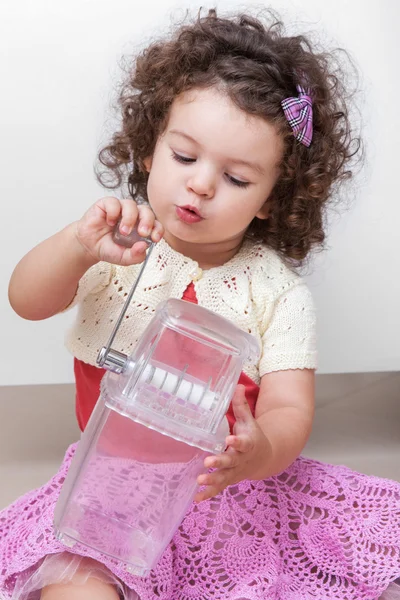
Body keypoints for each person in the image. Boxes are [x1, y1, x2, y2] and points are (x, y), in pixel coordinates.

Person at [2, 9, 400, 600]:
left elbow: (290, 409)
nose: (201, 185)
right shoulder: (117, 247)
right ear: (148, 149)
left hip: (227, 490)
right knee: (76, 581)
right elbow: (26, 301)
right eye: (185, 157)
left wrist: (260, 451)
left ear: (272, 198)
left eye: (237, 178)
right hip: (107, 488)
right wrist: (75, 248)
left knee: (262, 576)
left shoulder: (277, 293)